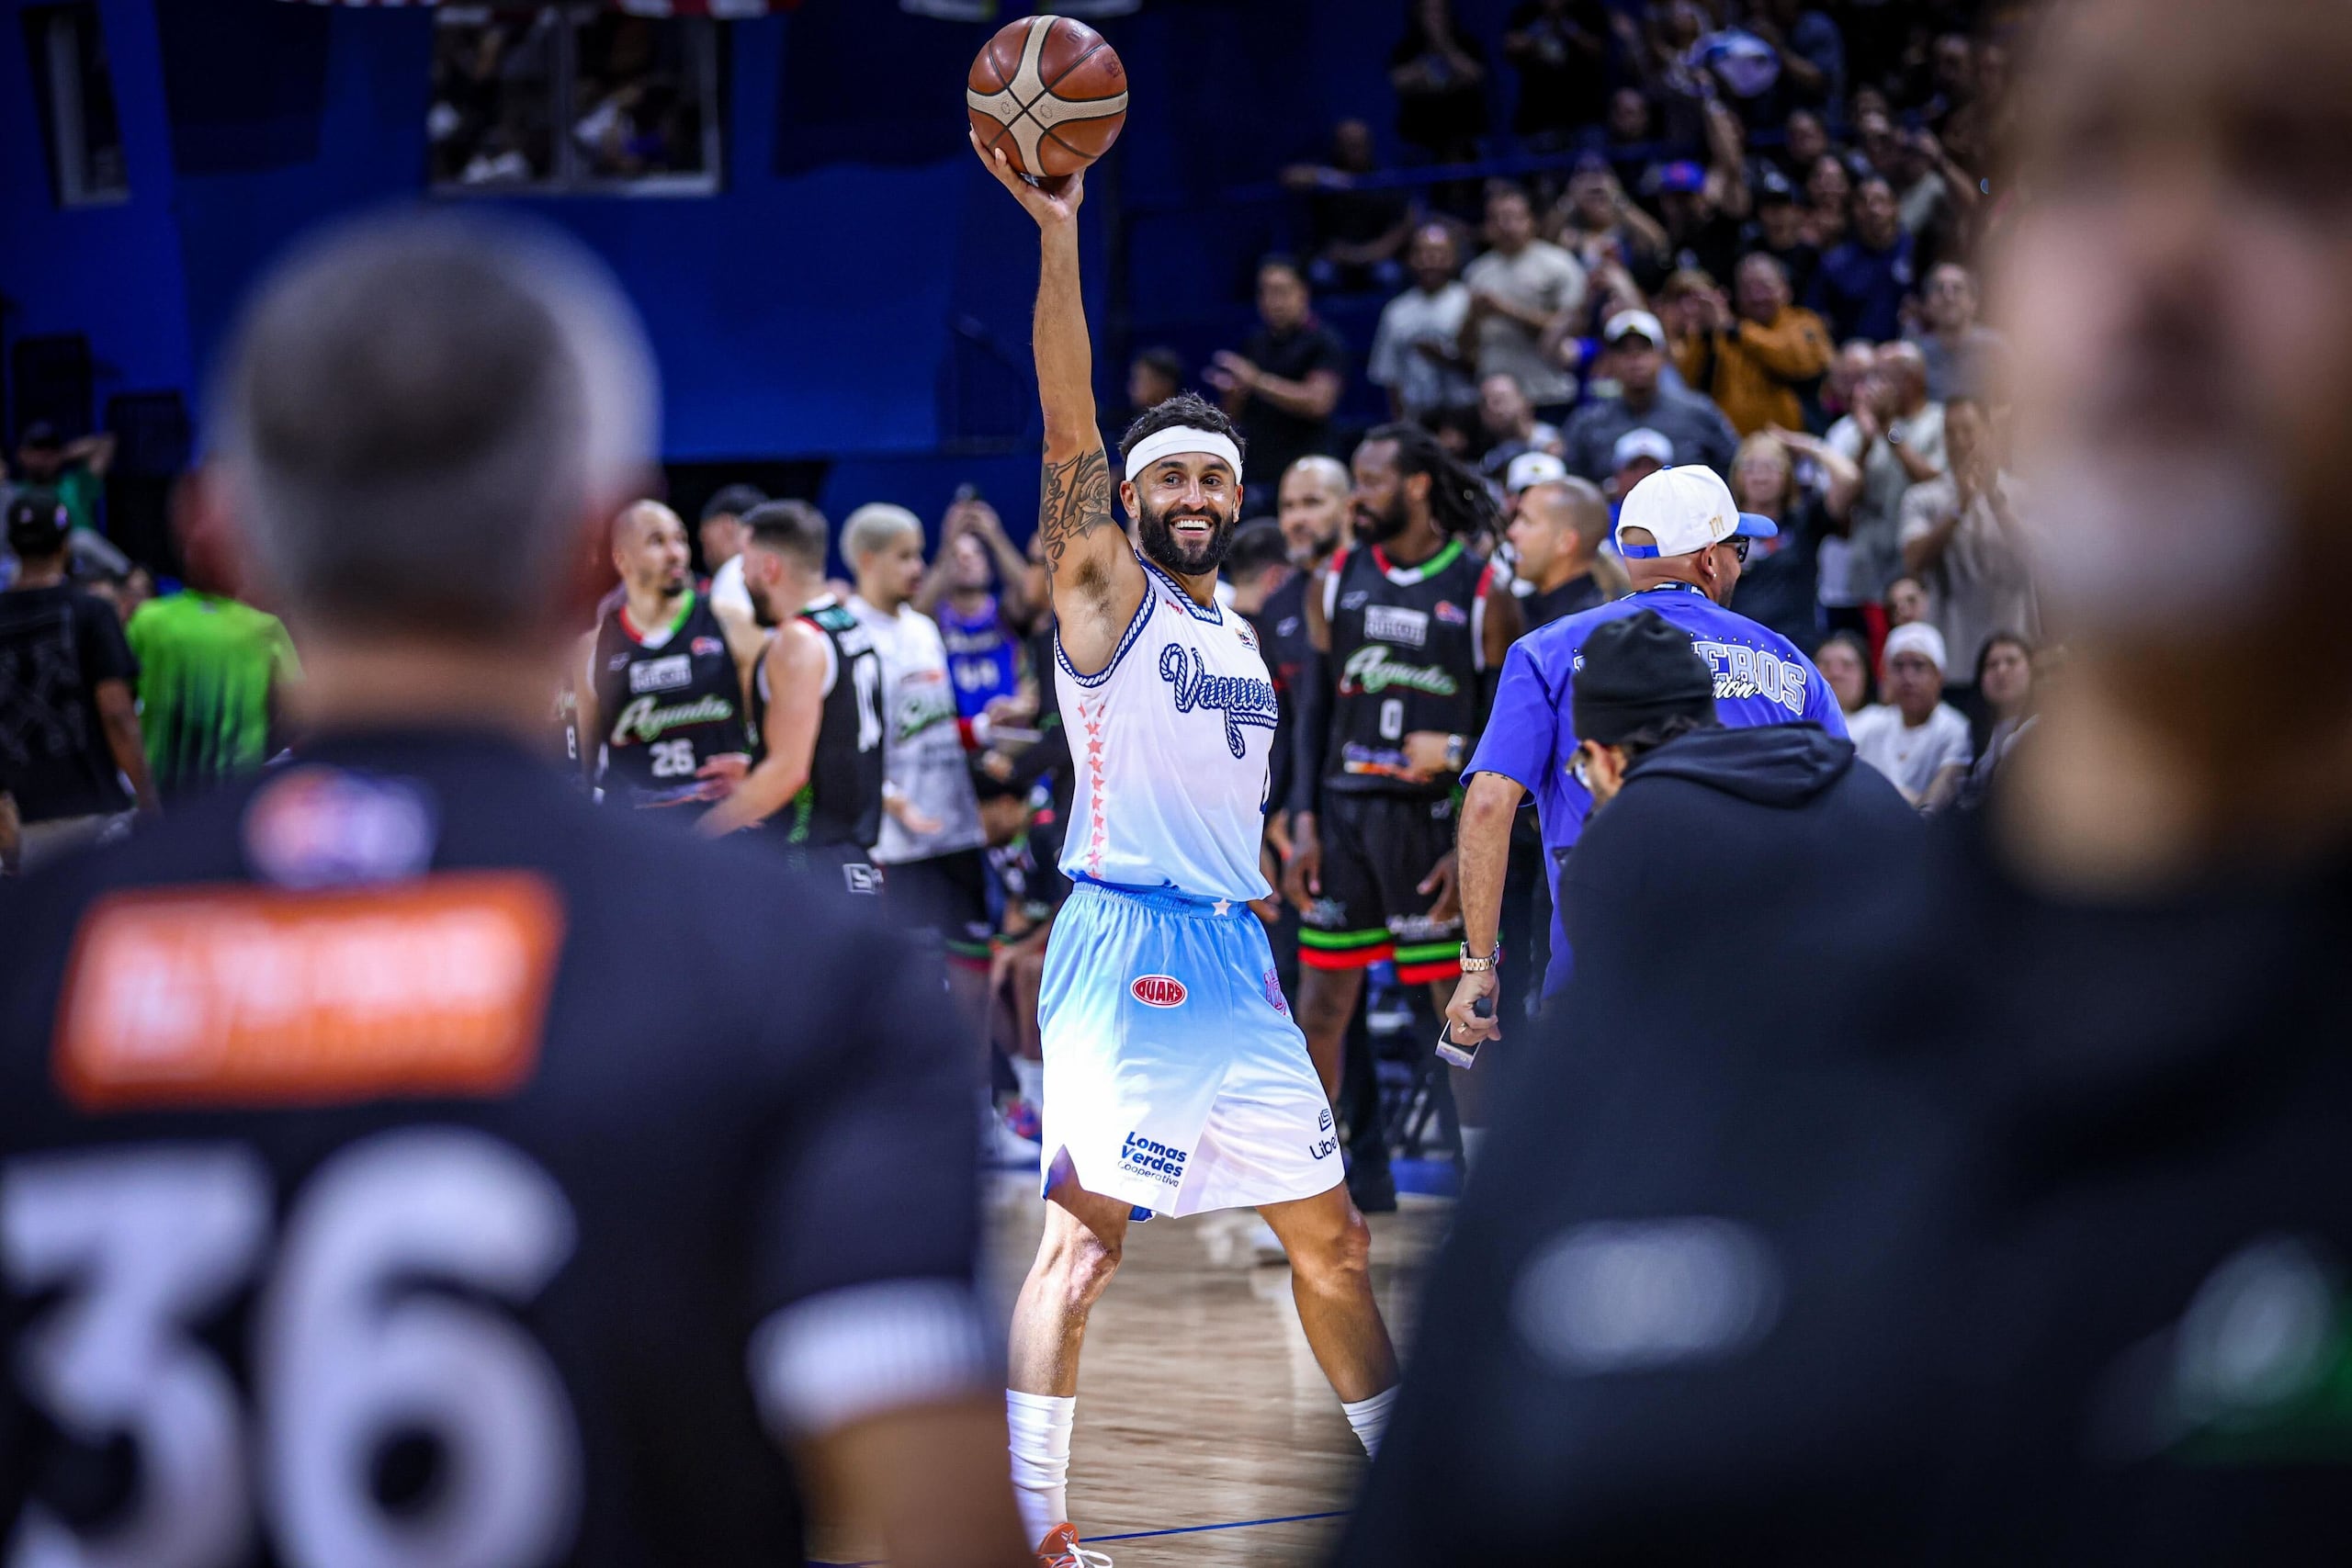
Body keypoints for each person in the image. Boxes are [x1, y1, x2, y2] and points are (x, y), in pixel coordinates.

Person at [0, 211, 1027, 1568]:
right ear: (584, 546)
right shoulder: (809, 973)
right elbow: (934, 1521)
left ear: (224, 540)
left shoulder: (31, 961)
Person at [975, 133, 1400, 1566]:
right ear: (1139, 501)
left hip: (1236, 955)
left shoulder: (1243, 632)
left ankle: (1409, 1496)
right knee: (1082, 1246)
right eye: (1175, 480)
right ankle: (1039, 1532)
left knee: (1334, 1242)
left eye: (1219, 476)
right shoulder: (1108, 595)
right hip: (1127, 945)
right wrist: (1057, 232)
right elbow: (1064, 422)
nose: (1200, 495)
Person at [1444, 463, 1849, 1042]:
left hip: (1603, 986)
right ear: (1709, 559)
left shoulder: (1546, 651)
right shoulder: (1790, 661)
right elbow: (1842, 812)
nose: (1740, 563)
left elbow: (1487, 805)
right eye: (1738, 547)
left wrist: (1479, 965)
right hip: (1760, 990)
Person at [1288, 422, 1521, 1159]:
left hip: (1429, 824)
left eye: (1373, 481)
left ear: (1417, 486)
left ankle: (1486, 1182)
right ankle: (1310, 1177)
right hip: (1346, 810)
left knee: (1455, 1016)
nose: (1359, 497)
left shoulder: (1482, 588)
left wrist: (1468, 844)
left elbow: (1497, 730)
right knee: (1320, 1006)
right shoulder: (1335, 578)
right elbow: (1314, 712)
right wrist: (1302, 819)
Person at [842, 502, 999, 1030]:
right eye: (905, 557)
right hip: (896, 841)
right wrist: (892, 800)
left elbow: (932, 726)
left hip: (956, 829)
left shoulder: (924, 629)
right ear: (867, 560)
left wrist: (983, 731)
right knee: (909, 979)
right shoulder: (849, 638)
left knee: (976, 969)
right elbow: (846, 747)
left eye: (919, 555)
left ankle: (981, 1102)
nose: (919, 568)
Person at [697, 502, 886, 889]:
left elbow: (788, 772)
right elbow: (834, 738)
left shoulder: (797, 640)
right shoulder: (849, 625)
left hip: (808, 861)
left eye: (745, 564)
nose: (744, 577)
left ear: (769, 568)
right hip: (854, 858)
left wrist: (694, 838)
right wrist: (755, 766)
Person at [0, 491, 157, 872]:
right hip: (94, 810)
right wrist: (149, 800)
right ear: (66, 546)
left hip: (23, 817)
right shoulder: (91, 612)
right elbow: (117, 714)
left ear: (13, 546)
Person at [576, 499, 760, 817]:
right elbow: (586, 765)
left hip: (722, 826)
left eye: (680, 539)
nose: (675, 553)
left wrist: (756, 770)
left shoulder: (733, 624)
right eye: (656, 541)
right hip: (636, 831)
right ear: (621, 559)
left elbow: (776, 736)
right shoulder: (590, 649)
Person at [1898, 395, 2038, 693]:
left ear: (1987, 433)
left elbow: (2041, 562)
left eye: (1967, 430)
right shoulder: (1922, 497)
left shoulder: (2023, 495)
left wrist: (1997, 504)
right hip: (1954, 659)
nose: (1959, 441)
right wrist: (1959, 506)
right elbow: (1913, 560)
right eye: (1950, 432)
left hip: (2014, 654)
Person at [125, 579, 302, 805]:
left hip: (161, 791)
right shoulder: (266, 627)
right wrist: (258, 757)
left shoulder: (148, 617)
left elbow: (118, 708)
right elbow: (295, 711)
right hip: (234, 790)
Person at [1824, 340, 1945, 622]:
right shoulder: (1857, 430)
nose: (1873, 386)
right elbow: (1844, 497)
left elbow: (1934, 480)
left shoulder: (1939, 422)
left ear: (1912, 379)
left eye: (1882, 376)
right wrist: (1867, 439)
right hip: (1868, 569)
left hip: (1919, 567)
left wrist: (1890, 432)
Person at [1206, 254, 1348, 495]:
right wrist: (1232, 393)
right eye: (1266, 292)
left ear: (1303, 292)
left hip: (1308, 466)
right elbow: (1234, 416)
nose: (1273, 301)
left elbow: (1319, 402)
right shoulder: (1254, 343)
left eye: (1281, 291)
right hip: (1261, 471)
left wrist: (1257, 381)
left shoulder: (1324, 341)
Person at [1560, 310, 1742, 484]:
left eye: (1644, 349)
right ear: (1610, 361)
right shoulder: (1587, 424)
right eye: (1624, 351)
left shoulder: (1699, 413)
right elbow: (1572, 486)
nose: (1635, 360)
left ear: (1662, 355)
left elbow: (1735, 467)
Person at [1459, 182, 1587, 420]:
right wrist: (1472, 317)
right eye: (1496, 219)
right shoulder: (1476, 273)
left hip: (1548, 391)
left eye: (1513, 217)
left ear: (1531, 221)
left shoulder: (1558, 264)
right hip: (1496, 399)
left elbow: (1574, 326)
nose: (1504, 226)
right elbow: (1465, 346)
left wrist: (1506, 311)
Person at [1672, 253, 1836, 436]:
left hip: (1796, 445)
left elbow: (1796, 361)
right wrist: (1705, 335)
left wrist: (1736, 330)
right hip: (1735, 449)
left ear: (1785, 289)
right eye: (1747, 289)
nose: (1756, 296)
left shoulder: (1804, 322)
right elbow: (1689, 382)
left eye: (1765, 287)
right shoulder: (1722, 334)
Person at [1726, 426, 1858, 649]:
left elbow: (1849, 479)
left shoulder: (1804, 521)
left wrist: (1807, 445)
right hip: (1738, 648)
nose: (1760, 475)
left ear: (1787, 475)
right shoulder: (1723, 528)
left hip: (1795, 650)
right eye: (1750, 466)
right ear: (1737, 475)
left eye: (1771, 466)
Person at [916, 494, 1034, 726]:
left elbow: (1031, 595)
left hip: (1006, 729)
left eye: (976, 554)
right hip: (954, 736)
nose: (966, 560)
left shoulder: (1003, 612)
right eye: (958, 556)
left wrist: (995, 537)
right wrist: (948, 543)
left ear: (989, 566)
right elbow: (915, 614)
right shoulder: (936, 619)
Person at [1279, 118, 1417, 294]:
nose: (1354, 149)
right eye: (1348, 144)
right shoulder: (1327, 179)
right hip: (1334, 256)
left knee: (1391, 274)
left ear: (1369, 145)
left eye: (1359, 144)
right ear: (1337, 146)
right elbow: (1289, 176)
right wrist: (1329, 177)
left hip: (1375, 255)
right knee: (1319, 274)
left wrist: (1364, 254)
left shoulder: (1383, 181)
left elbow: (1404, 225)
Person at [1849, 620, 1970, 809]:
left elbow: (1933, 806)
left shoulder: (1954, 730)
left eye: (1918, 666)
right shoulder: (1872, 722)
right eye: (1898, 666)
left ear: (1939, 675)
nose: (1908, 677)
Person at [1367, 223, 1477, 424]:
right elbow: (1391, 378)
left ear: (1453, 257)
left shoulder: (1469, 301)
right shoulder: (1396, 311)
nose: (1430, 260)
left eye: (1439, 253)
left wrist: (1447, 358)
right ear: (1410, 258)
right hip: (1418, 417)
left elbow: (1486, 365)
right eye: (1423, 252)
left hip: (1467, 414)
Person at [1807, 174, 1917, 343]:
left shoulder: (1917, 253)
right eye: (1864, 202)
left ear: (1895, 206)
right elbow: (1814, 317)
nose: (1873, 209)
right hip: (1853, 357)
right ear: (1854, 210)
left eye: (1880, 201)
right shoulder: (1834, 263)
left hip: (1909, 354)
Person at [1388, 0, 1490, 167]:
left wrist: (1444, 47)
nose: (1434, 18)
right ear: (1417, 16)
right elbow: (1399, 80)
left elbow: (1475, 75)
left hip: (1467, 132)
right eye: (1428, 12)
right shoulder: (1407, 49)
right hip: (1421, 136)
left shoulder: (1466, 43)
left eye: (1439, 11)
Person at [1508, 475, 1612, 628]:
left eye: (1527, 521)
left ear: (1565, 542)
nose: (1512, 532)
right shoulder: (1517, 610)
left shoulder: (1592, 630)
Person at [1959, 628, 2034, 807]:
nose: (2001, 671)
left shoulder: (2045, 729)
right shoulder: (1971, 733)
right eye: (1992, 665)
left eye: (2011, 662)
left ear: (2032, 670)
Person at [1911, 262, 2005, 401]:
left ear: (1973, 302)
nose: (1949, 297)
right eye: (1939, 289)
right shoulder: (1915, 355)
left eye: (1957, 289)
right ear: (1927, 304)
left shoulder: (1996, 350)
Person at [1475, 372, 1562, 484]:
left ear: (1526, 401)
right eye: (1484, 403)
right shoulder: (1487, 459)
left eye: (1499, 400)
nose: (1491, 408)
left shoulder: (1559, 441)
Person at [700, 480, 768, 623]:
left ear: (727, 526)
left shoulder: (734, 573)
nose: (705, 554)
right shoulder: (777, 568)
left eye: (705, 541)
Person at [1815, 626, 1871, 716]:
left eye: (1847, 665)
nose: (1835, 673)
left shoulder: (1886, 722)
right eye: (1826, 666)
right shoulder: (1797, 723)